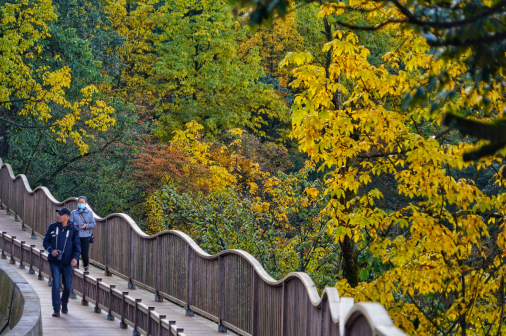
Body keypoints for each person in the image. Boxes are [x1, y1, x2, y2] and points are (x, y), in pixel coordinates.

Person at [43, 207, 81, 317]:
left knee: (68, 286)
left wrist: (75, 258)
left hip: (68, 262)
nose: (58, 216)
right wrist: (51, 250)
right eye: (58, 214)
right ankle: (56, 308)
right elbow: (45, 241)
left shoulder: (73, 229)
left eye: (61, 214)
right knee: (56, 284)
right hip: (54, 261)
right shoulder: (52, 227)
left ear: (67, 217)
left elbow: (77, 246)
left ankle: (64, 303)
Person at [69, 196, 96, 272]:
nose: (81, 203)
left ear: (85, 203)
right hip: (76, 236)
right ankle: (75, 268)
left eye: (82, 202)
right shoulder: (74, 213)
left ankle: (86, 267)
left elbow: (94, 224)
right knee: (76, 253)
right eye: (79, 202)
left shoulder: (90, 213)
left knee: (85, 254)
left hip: (86, 236)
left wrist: (86, 226)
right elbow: (69, 223)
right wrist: (72, 225)